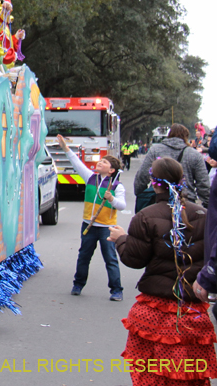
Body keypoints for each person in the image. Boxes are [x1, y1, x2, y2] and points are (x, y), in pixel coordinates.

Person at [109, 158, 217, 385]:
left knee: (150, 376)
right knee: (190, 378)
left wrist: (121, 240)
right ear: (182, 180)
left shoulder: (145, 217)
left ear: (153, 183)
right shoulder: (205, 216)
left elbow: (135, 259)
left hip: (153, 316)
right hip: (193, 315)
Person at [56, 134, 125, 301]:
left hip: (106, 228)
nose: (99, 163)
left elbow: (122, 205)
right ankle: (78, 284)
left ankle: (116, 290)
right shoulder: (91, 178)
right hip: (88, 226)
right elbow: (76, 163)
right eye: (100, 161)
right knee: (84, 256)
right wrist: (66, 148)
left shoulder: (117, 186)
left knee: (110, 259)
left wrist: (111, 199)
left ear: (111, 170)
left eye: (104, 163)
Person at [134, 124, 209, 209]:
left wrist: (141, 194)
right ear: (186, 137)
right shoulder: (194, 154)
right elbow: (203, 182)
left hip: (159, 200)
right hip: (186, 202)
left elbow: (142, 175)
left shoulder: (155, 150)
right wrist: (206, 203)